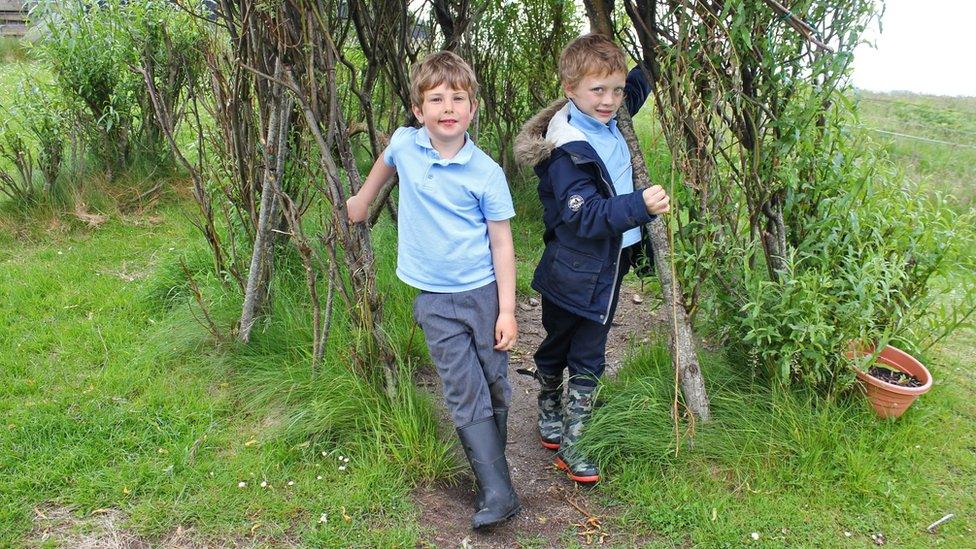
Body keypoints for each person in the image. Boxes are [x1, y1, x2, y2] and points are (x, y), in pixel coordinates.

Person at [346, 51, 520, 528]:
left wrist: (507, 310)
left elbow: (502, 244)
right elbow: (384, 165)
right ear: (419, 110)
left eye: (457, 98)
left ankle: (494, 471)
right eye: (436, 99)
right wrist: (361, 202)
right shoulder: (406, 144)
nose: (448, 107)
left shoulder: (486, 173)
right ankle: (498, 493)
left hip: (483, 294)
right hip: (434, 299)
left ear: (473, 108)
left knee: (494, 380)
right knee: (463, 387)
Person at [513, 34, 671, 483]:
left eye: (616, 90)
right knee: (558, 342)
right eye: (598, 91)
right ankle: (548, 399)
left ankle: (574, 438)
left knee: (590, 350)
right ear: (569, 90)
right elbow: (584, 217)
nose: (610, 100)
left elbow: (635, 88)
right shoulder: (567, 149)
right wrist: (640, 205)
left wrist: (660, 56)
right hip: (571, 267)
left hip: (609, 263)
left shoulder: (609, 114)